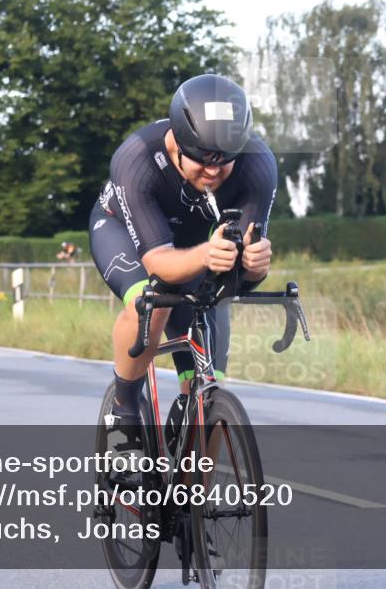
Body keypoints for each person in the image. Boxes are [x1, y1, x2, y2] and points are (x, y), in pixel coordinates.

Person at [88, 74, 276, 438]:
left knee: (208, 404)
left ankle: (189, 481)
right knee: (151, 301)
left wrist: (254, 267)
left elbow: (240, 276)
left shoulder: (258, 165)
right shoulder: (137, 157)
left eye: (225, 161)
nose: (213, 170)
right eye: (203, 158)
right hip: (124, 235)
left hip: (193, 249)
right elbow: (158, 263)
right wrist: (208, 254)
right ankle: (124, 412)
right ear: (177, 141)